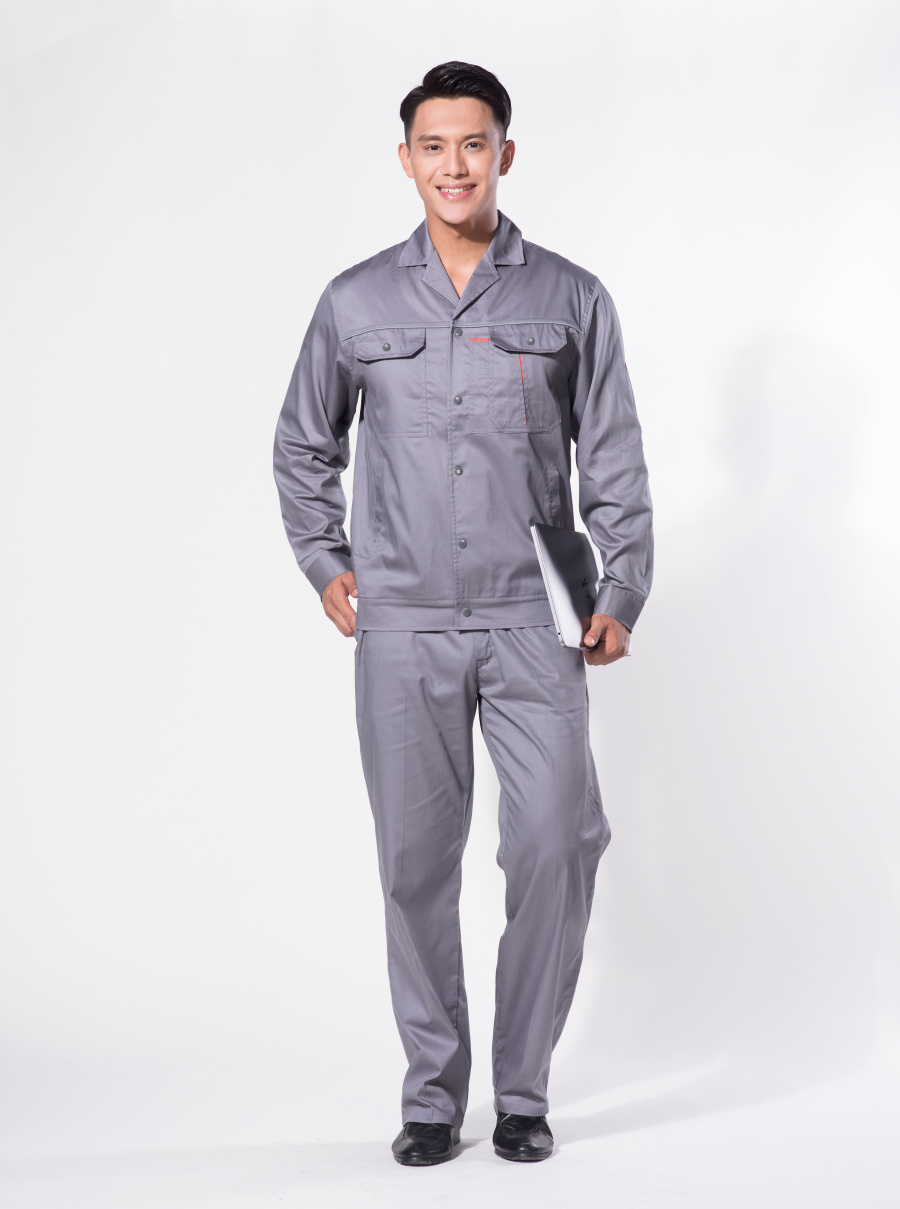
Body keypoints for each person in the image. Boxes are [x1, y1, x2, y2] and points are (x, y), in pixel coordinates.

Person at [272, 61, 653, 1167]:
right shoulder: (354, 302)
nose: (455, 165)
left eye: (474, 144)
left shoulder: (571, 297)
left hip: (536, 613)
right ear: (407, 160)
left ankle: (523, 1090)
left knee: (556, 842)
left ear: (504, 154)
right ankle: (434, 1096)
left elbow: (612, 451)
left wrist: (621, 584)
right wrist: (325, 562)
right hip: (400, 618)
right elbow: (302, 443)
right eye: (433, 146)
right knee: (415, 864)